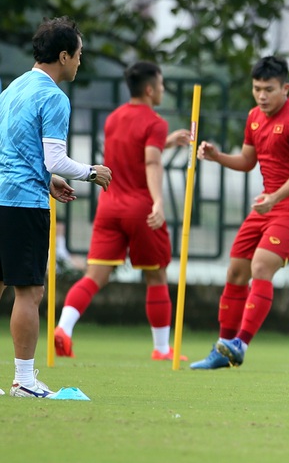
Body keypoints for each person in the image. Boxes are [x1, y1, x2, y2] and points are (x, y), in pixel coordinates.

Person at [0, 16, 112, 398]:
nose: (80, 62)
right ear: (63, 56)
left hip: (2, 194)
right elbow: (55, 159)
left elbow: (14, 152)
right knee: (29, 292)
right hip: (23, 203)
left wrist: (50, 181)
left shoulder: (13, 88)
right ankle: (25, 381)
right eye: (79, 55)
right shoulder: (53, 96)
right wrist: (91, 172)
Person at [190, 55, 289, 369]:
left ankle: (240, 345)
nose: (262, 96)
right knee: (236, 271)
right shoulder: (254, 117)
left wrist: (274, 197)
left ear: (285, 88)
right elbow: (248, 161)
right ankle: (223, 348)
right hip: (267, 204)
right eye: (257, 89)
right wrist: (218, 156)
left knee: (261, 266)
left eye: (269, 89)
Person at [54, 61, 190, 361]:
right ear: (151, 89)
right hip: (140, 209)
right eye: (162, 85)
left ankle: (63, 329)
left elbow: (134, 151)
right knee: (156, 276)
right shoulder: (155, 122)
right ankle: (162, 349)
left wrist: (167, 142)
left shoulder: (114, 118)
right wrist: (158, 202)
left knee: (94, 276)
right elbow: (151, 161)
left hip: (109, 207)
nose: (164, 90)